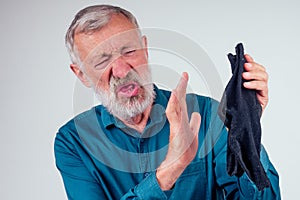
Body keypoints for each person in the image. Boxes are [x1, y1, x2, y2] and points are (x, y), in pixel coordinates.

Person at [54, 4, 281, 199]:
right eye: (102, 61)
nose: (122, 71)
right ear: (81, 74)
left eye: (130, 51)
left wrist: (247, 132)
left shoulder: (207, 114)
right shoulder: (73, 142)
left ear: (145, 48)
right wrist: (171, 169)